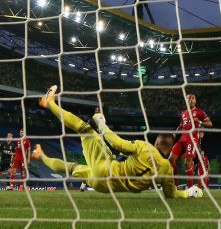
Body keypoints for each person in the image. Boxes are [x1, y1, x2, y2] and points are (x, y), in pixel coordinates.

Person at [33, 85, 203, 198]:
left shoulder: (145, 147)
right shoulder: (166, 170)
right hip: (105, 187)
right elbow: (171, 194)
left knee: (84, 129)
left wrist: (102, 125)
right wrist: (189, 192)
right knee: (73, 168)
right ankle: (40, 155)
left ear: (157, 144)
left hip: (106, 169)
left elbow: (116, 143)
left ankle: (49, 104)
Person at [169, 94, 212, 188]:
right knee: (171, 160)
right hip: (182, 139)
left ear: (195, 101)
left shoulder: (200, 112)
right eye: (189, 98)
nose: (191, 100)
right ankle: (175, 186)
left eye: (193, 98)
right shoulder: (183, 113)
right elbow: (181, 126)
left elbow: (209, 123)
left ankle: (190, 188)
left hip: (192, 139)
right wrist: (174, 134)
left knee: (188, 161)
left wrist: (200, 122)